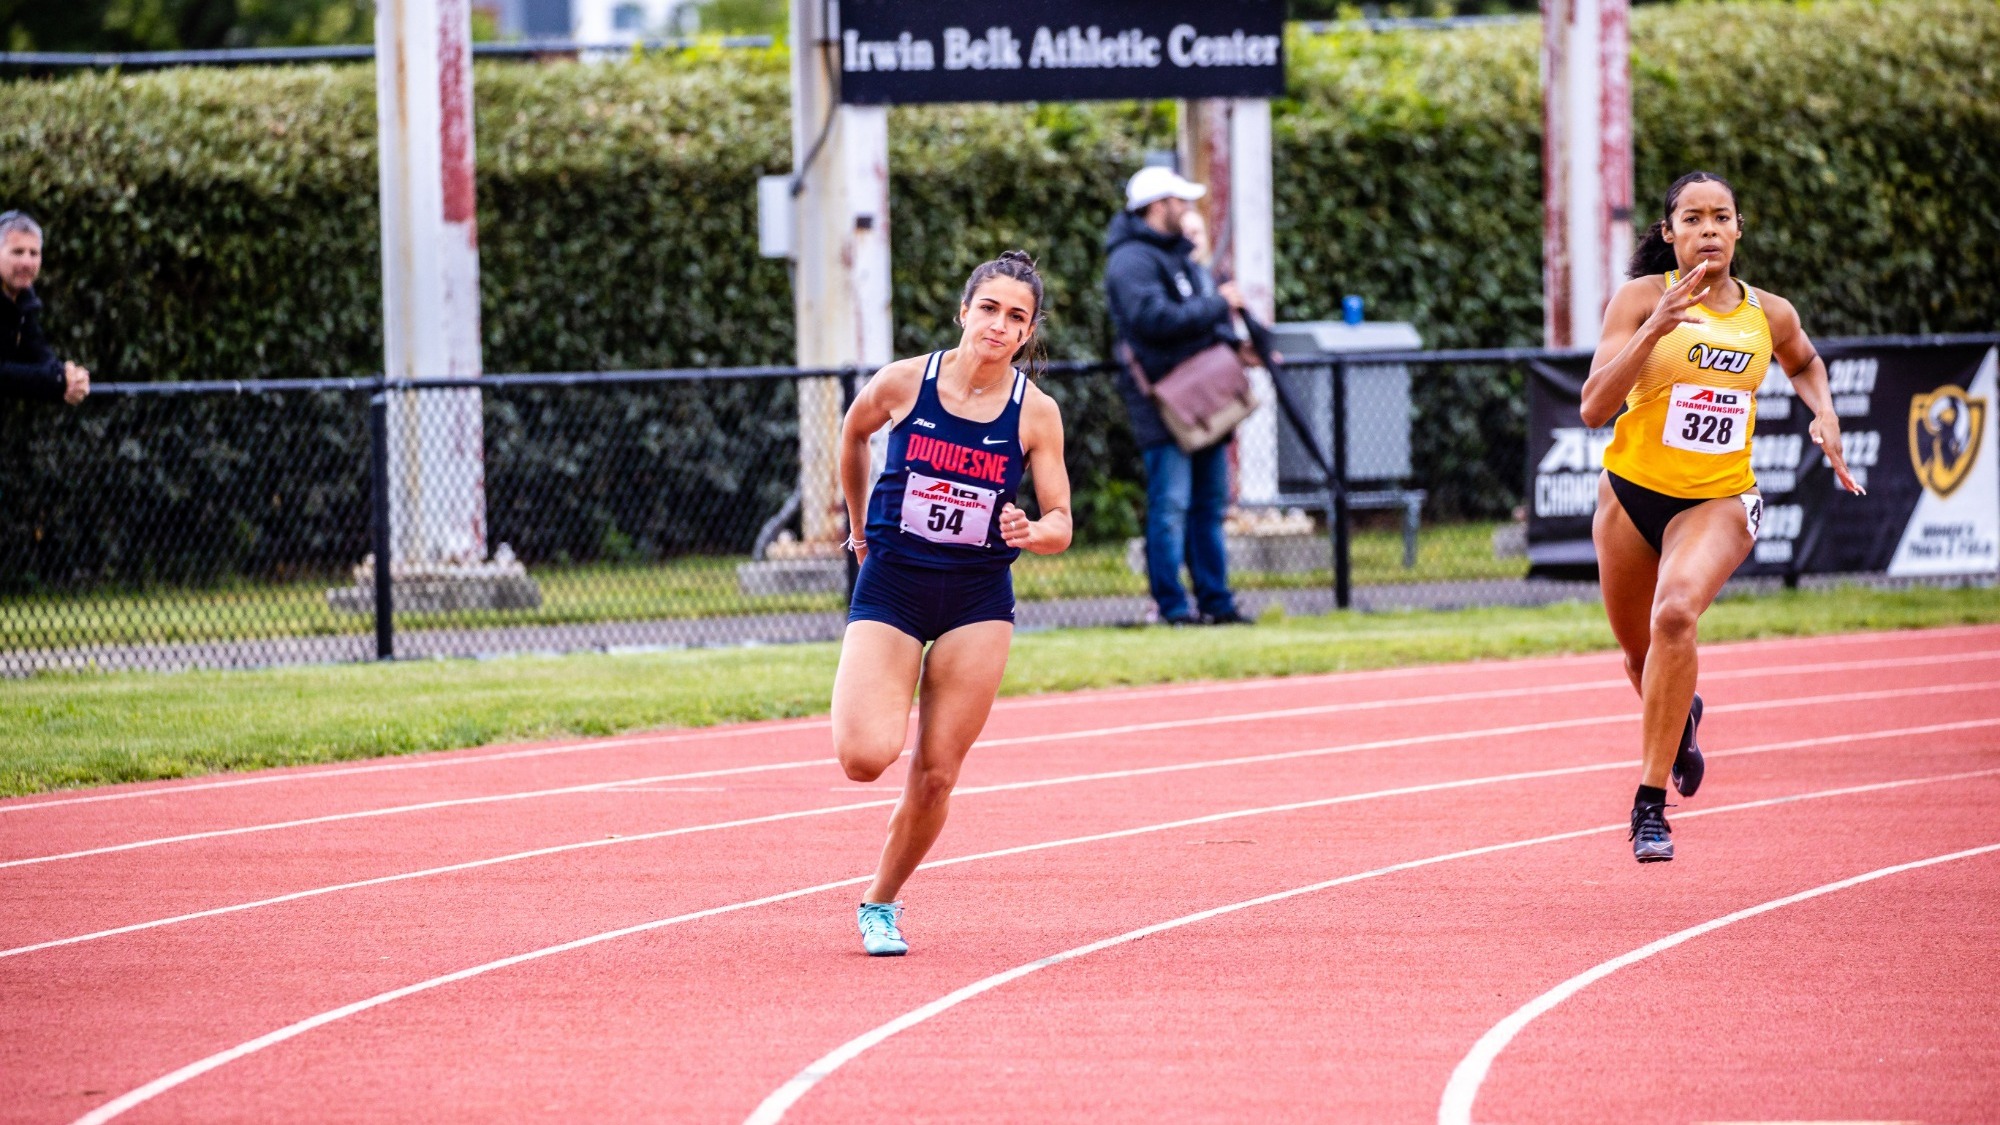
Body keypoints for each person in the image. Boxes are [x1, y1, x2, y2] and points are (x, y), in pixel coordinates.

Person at [1583, 171, 1863, 863]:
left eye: (1721, 217)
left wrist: (1823, 413)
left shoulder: (1768, 313)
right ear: (1669, 233)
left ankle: (1650, 805)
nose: (1708, 228)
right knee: (1639, 654)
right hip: (1629, 495)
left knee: (1675, 613)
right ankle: (1681, 722)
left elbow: (1805, 362)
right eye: (1693, 217)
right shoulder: (1639, 300)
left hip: (1718, 499)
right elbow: (1593, 407)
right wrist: (1654, 328)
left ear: (1739, 230)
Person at [832, 250, 1073, 956]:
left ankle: (880, 901)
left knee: (937, 772)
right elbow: (852, 435)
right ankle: (878, 686)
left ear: (1029, 333)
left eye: (1016, 317)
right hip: (896, 581)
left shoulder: (1036, 413)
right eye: (990, 309)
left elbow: (1061, 519)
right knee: (865, 756)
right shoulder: (906, 383)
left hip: (976, 595)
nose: (1000, 325)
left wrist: (1033, 530)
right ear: (964, 310)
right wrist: (855, 530)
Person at [1103, 166, 1250, 626]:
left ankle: (1216, 602)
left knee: (1208, 507)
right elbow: (1155, 321)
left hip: (1202, 399)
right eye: (1179, 201)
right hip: (1164, 404)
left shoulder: (1181, 258)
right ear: (1156, 205)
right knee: (1170, 508)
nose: (1187, 209)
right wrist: (1216, 305)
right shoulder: (1131, 262)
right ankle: (1172, 608)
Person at [1, 211, 90, 405]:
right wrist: (57, 380)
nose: (27, 262)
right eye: (17, 252)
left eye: (34, 253)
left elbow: (38, 352)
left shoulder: (23, 300)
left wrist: (70, 378)